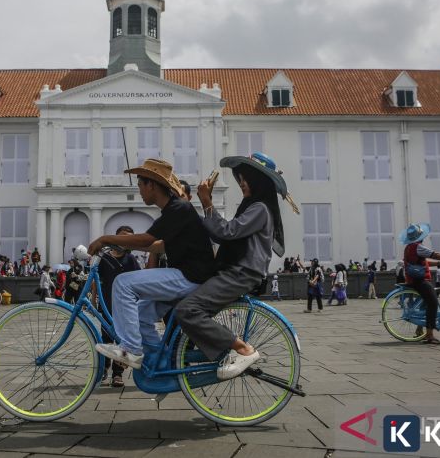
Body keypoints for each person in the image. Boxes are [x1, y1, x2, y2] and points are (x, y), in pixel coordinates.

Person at [174, 152, 296, 379]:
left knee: (187, 310)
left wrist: (207, 202)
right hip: (236, 271)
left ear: (258, 181)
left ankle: (242, 349)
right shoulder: (252, 206)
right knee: (186, 306)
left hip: (241, 273)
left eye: (246, 178)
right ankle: (183, 358)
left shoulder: (259, 208)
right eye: (240, 178)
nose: (241, 183)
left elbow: (227, 232)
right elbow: (220, 233)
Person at [88, 158, 216, 370]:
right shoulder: (174, 209)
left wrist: (106, 239)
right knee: (140, 314)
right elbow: (159, 245)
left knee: (122, 283)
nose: (139, 191)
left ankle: (131, 348)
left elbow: (147, 239)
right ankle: (161, 362)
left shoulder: (179, 208)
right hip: (189, 276)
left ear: (152, 185)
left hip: (190, 277)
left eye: (140, 185)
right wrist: (125, 244)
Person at [400, 223, 440, 344]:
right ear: (420, 236)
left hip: (412, 279)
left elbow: (424, 262)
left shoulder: (409, 247)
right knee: (433, 303)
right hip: (419, 280)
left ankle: (419, 330)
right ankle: (430, 335)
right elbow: (436, 254)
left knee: (425, 304)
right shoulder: (418, 247)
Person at [95, 225, 141, 387]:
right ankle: (103, 370)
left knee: (122, 340)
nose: (124, 240)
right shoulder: (105, 258)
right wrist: (94, 299)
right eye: (122, 236)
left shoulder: (131, 259)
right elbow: (97, 280)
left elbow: (138, 281)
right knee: (106, 339)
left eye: (129, 237)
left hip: (124, 307)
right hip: (107, 303)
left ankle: (117, 373)